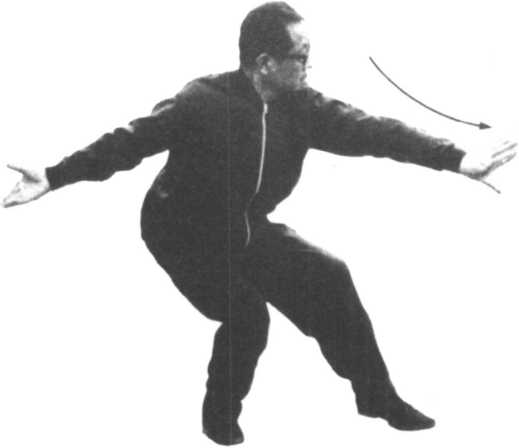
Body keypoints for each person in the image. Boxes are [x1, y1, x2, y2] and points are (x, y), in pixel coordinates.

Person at [2, 2, 516, 445]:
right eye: (301, 58)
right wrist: (54, 175)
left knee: (330, 277)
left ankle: (377, 399)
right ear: (265, 63)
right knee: (247, 314)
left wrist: (457, 159)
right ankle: (219, 415)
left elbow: (376, 132)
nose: (309, 67)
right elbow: (128, 142)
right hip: (180, 231)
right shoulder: (202, 101)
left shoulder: (303, 108)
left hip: (245, 225)